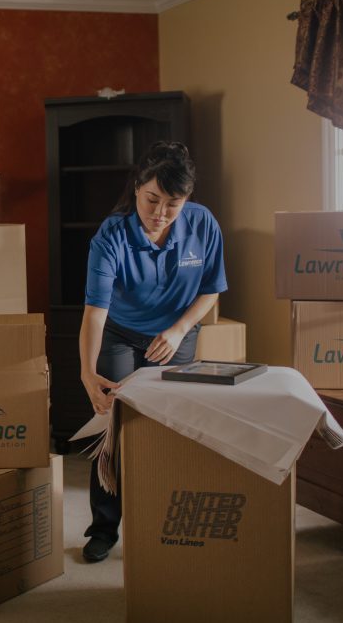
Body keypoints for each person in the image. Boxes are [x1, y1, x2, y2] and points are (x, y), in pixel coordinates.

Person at [78, 141, 227, 563]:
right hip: (120, 334)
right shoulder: (111, 236)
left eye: (173, 204)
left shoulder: (203, 225)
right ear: (137, 188)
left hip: (175, 335)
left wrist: (179, 330)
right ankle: (103, 529)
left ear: (188, 200)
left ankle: (169, 524)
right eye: (152, 200)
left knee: (172, 430)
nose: (160, 213)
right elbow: (94, 312)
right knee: (112, 427)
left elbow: (211, 290)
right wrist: (88, 373)